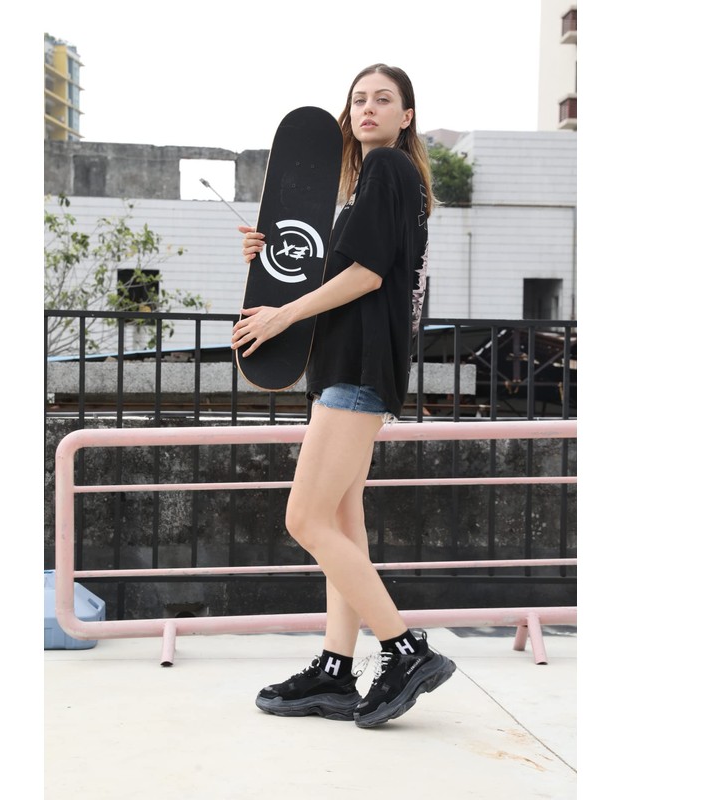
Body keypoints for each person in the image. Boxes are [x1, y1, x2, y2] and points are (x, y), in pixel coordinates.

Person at [231, 63, 456, 728]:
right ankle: (335, 668)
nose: (368, 108)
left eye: (383, 99)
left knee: (305, 520)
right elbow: (340, 271)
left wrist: (281, 316)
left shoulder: (387, 167)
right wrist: (269, 258)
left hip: (356, 370)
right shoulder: (377, 185)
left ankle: (405, 650)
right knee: (341, 522)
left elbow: (365, 275)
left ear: (406, 116)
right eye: (359, 98)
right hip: (352, 367)